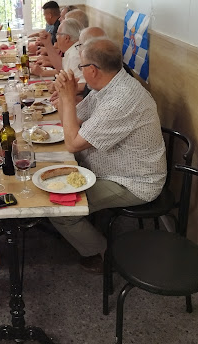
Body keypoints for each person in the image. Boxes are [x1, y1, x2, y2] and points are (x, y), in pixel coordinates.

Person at [50, 38, 166, 273]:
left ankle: (106, 255)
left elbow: (72, 143)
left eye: (81, 66)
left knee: (60, 210)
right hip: (109, 169)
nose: (80, 72)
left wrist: (67, 97)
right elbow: (70, 121)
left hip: (134, 181)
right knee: (56, 182)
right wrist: (65, 96)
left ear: (92, 70)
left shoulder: (121, 99)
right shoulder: (108, 86)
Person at [31, 18, 85, 84]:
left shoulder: (76, 55)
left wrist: (56, 87)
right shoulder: (72, 50)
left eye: (58, 34)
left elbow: (81, 85)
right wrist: (47, 44)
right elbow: (61, 67)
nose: (56, 37)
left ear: (66, 38)